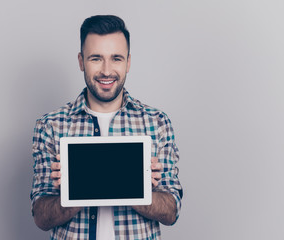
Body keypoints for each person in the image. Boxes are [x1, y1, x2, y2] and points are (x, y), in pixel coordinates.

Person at [30, 15, 183, 240]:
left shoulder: (157, 122)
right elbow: (40, 217)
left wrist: (134, 186)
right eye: (96, 58)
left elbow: (172, 210)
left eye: (116, 58)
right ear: (81, 61)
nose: (106, 70)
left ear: (128, 62)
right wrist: (78, 187)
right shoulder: (50, 126)